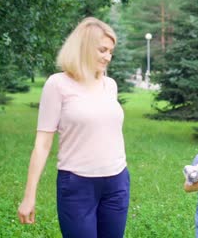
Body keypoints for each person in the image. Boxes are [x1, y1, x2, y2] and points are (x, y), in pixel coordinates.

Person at [17, 17, 130, 238]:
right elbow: (42, 144)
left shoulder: (110, 85)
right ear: (84, 47)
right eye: (102, 50)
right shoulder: (57, 84)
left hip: (117, 182)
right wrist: (29, 196)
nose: (108, 57)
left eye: (111, 52)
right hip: (77, 185)